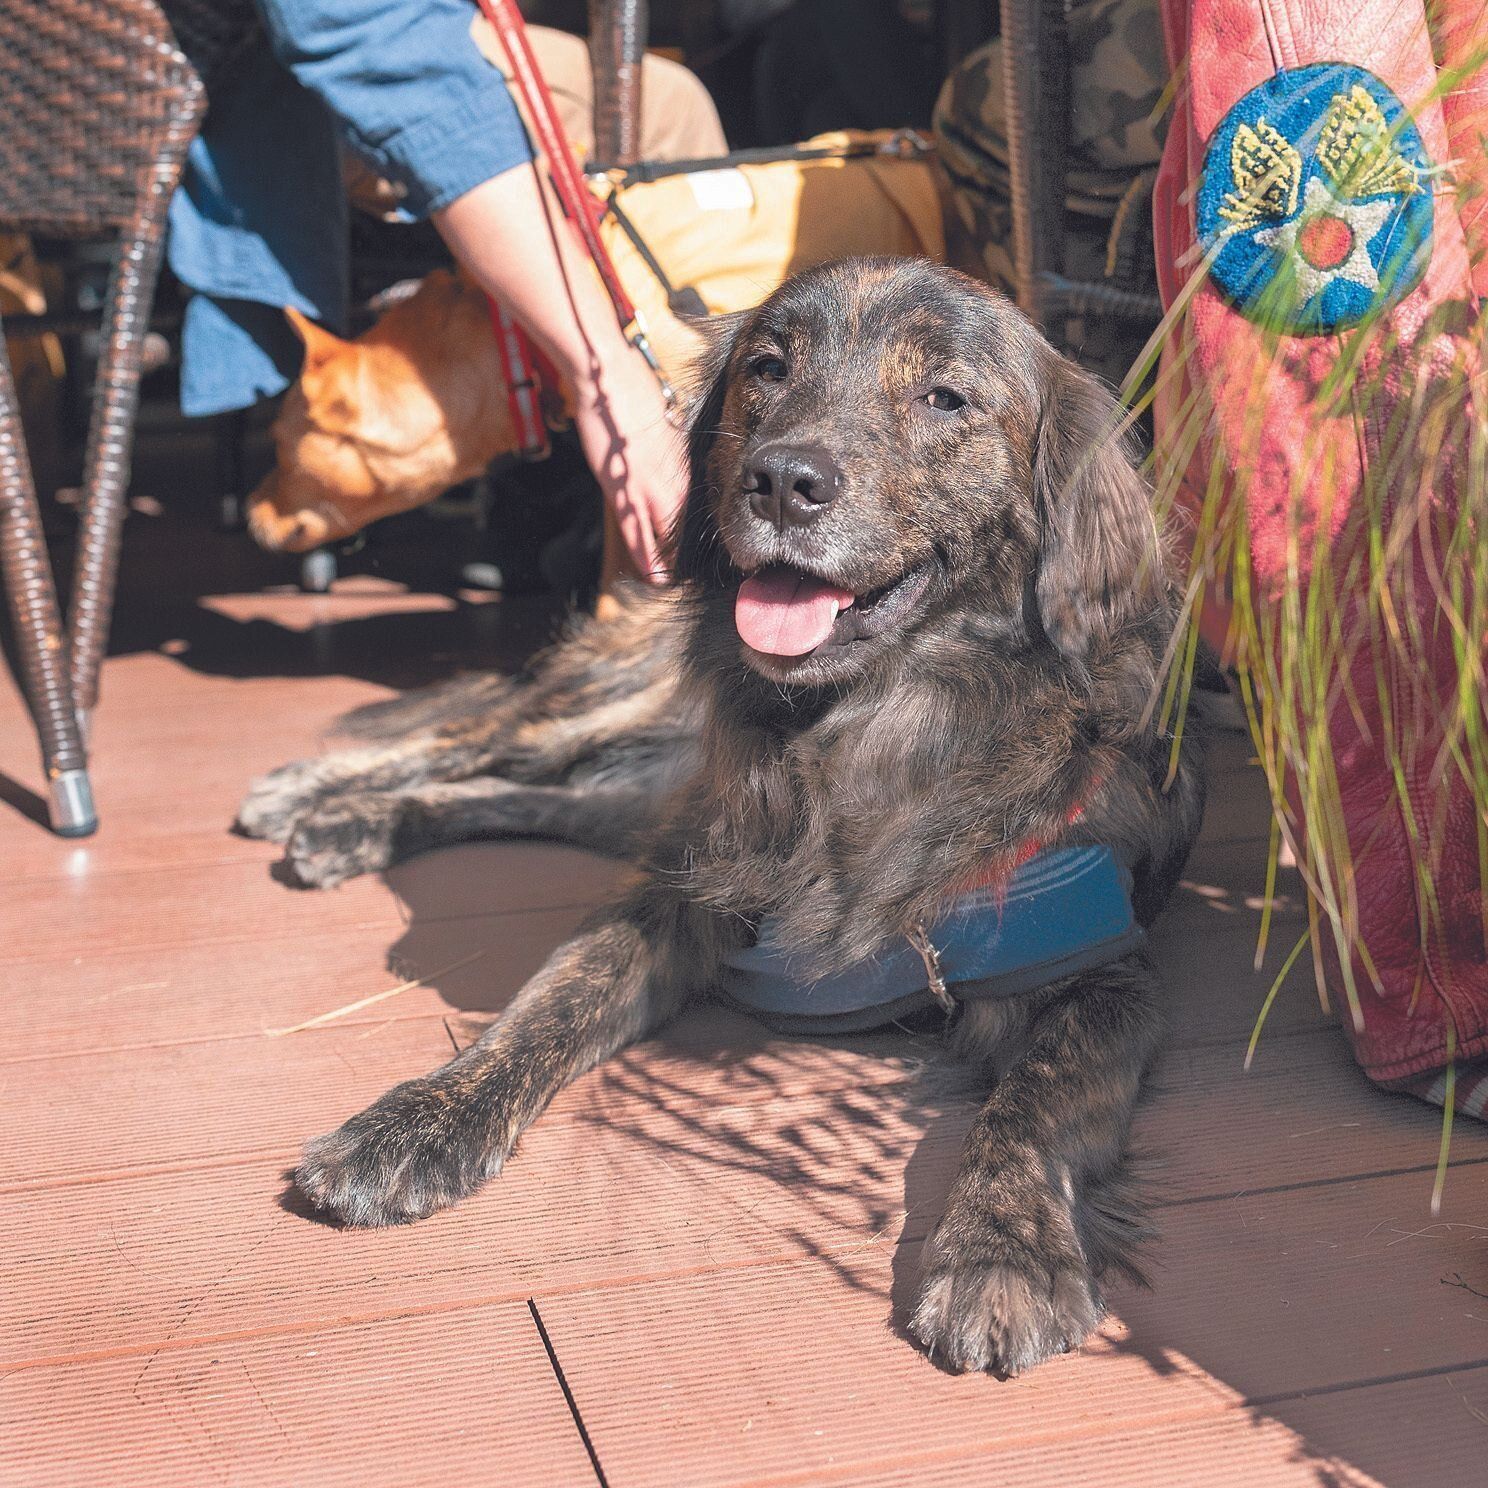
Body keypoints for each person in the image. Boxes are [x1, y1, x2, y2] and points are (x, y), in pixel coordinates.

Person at [170, 0, 712, 580]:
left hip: (213, 68)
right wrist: (607, 374)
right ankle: (612, 501)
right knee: (669, 103)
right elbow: (379, 40)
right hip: (275, 80)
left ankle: (559, 484)